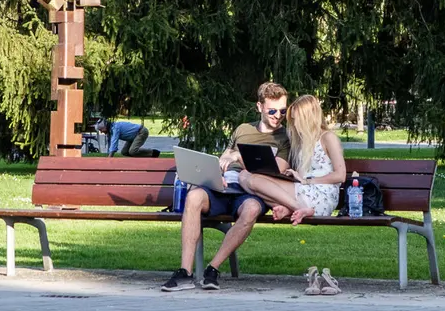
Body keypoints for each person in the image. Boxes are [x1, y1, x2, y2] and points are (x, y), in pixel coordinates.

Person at [161, 82, 290, 292]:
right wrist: (217, 173)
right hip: (225, 185)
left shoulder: (284, 137)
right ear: (259, 107)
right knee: (193, 197)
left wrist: (241, 156)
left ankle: (213, 269)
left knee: (252, 209)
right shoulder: (243, 129)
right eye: (272, 111)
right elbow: (224, 158)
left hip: (252, 190)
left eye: (283, 111)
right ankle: (185, 272)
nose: (278, 116)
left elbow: (277, 170)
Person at [239, 94, 346, 226]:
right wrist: (294, 176)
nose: (295, 124)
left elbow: (340, 175)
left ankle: (296, 208)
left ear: (309, 117)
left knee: (253, 180)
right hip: (305, 191)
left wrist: (307, 181)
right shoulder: (303, 141)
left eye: (298, 119)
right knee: (244, 177)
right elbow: (304, 176)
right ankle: (290, 208)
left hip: (321, 195)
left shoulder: (328, 137)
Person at [95, 119, 160, 158]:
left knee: (132, 151)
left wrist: (109, 158)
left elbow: (114, 143)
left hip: (141, 132)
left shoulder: (115, 128)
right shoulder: (111, 131)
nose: (101, 131)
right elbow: (110, 143)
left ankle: (153, 153)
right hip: (133, 136)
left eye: (101, 129)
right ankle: (143, 159)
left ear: (105, 127)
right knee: (124, 152)